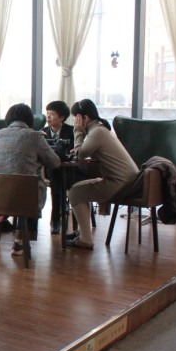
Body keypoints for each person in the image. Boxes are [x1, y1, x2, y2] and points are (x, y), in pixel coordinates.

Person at [0, 103, 61, 256]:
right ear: (29, 120)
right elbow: (55, 162)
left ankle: (4, 221)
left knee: (23, 185)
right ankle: (20, 240)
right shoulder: (35, 136)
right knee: (31, 186)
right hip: (25, 198)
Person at [67, 99, 139, 249]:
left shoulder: (97, 132)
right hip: (129, 180)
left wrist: (78, 131)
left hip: (120, 183)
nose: (75, 122)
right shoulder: (101, 129)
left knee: (75, 192)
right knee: (79, 189)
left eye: (76, 118)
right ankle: (83, 233)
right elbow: (85, 151)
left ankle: (86, 239)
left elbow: (80, 155)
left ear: (85, 118)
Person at [42, 100, 75, 234]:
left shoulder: (71, 131)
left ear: (62, 117)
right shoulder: (43, 133)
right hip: (51, 170)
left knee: (57, 175)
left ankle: (56, 218)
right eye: (47, 114)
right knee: (55, 173)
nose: (48, 117)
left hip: (70, 170)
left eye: (52, 114)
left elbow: (73, 152)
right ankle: (60, 210)